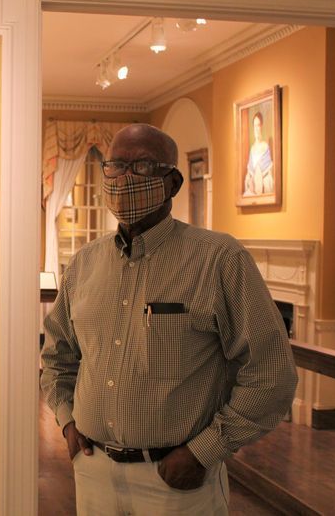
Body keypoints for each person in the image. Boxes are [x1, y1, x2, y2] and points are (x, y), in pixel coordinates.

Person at [40, 124, 297, 515]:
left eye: (142, 166)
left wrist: (204, 451)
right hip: (92, 471)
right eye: (116, 166)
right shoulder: (84, 265)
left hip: (175, 480)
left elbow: (272, 373)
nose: (125, 179)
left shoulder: (218, 260)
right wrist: (67, 422)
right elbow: (57, 355)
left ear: (172, 182)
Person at [243, 111, 274, 196]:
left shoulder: (266, 147)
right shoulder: (252, 149)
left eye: (258, 125)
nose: (256, 129)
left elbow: (269, 172)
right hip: (252, 188)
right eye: (254, 126)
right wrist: (249, 181)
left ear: (261, 126)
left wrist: (262, 182)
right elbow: (249, 173)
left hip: (263, 187)